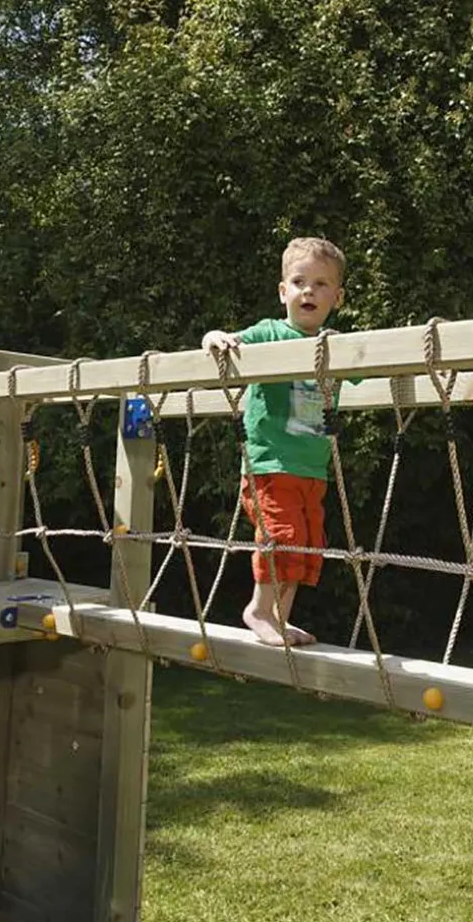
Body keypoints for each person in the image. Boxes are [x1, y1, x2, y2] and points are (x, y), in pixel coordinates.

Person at [201, 236, 347, 648]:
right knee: (281, 537)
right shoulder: (271, 332)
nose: (309, 291)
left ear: (337, 297)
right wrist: (214, 336)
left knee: (306, 546)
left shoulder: (332, 346)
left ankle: (280, 617)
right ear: (284, 292)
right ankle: (259, 611)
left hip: (312, 468)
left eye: (321, 284)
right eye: (300, 281)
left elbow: (374, 371)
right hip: (271, 463)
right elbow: (229, 341)